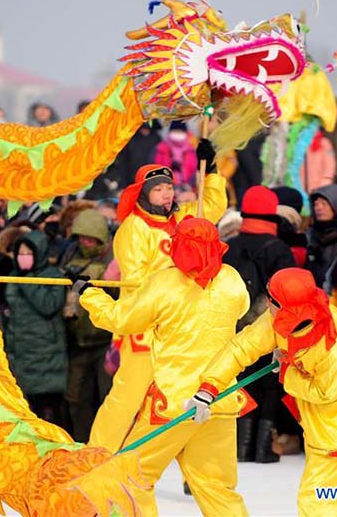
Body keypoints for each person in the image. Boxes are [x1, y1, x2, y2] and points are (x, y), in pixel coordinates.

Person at [76, 218, 250, 516]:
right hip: (219, 400)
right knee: (217, 487)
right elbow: (242, 307)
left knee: (130, 476)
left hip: (174, 404)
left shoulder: (164, 283)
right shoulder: (231, 279)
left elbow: (121, 319)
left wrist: (88, 293)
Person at [192, 268, 337, 517]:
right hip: (319, 419)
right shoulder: (281, 315)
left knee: (327, 503)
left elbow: (324, 391)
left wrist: (288, 370)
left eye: (270, 299)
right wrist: (209, 387)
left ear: (283, 305)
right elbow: (243, 347)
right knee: (315, 500)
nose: (266, 303)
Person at [88, 139, 224, 455]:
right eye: (159, 189)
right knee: (127, 397)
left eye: (169, 188)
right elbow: (135, 281)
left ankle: (161, 458)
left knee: (179, 398)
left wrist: (211, 172)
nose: (166, 194)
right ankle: (98, 453)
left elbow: (212, 208)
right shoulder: (134, 228)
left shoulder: (185, 219)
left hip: (182, 328)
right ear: (144, 193)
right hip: (145, 327)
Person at [222, 185, 296, 463]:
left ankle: (241, 446)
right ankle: (262, 448)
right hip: (270, 324)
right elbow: (290, 291)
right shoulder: (280, 250)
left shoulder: (229, 247)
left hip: (234, 324)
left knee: (240, 379)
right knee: (268, 382)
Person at [3, 229, 67, 426]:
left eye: (28, 253)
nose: (23, 257)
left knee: (48, 412)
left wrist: (28, 280)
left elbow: (48, 305)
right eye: (20, 253)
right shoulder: (13, 276)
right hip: (20, 353)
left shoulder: (52, 276)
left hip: (46, 354)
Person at [60, 209, 113, 442]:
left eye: (90, 239)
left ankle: (107, 443)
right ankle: (82, 442)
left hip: (105, 340)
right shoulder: (70, 254)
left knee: (108, 397)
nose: (85, 243)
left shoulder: (113, 259)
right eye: (82, 238)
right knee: (76, 397)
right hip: (78, 340)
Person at [305, 184, 337, 286]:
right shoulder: (309, 235)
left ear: (336, 204)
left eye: (324, 203)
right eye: (316, 204)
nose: (318, 208)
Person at [153, 120, 198, 189]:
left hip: (186, 189)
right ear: (170, 132)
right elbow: (154, 167)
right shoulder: (161, 148)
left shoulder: (191, 150)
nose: (178, 134)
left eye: (180, 132)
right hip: (164, 187)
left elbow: (195, 170)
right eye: (175, 131)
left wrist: (188, 185)